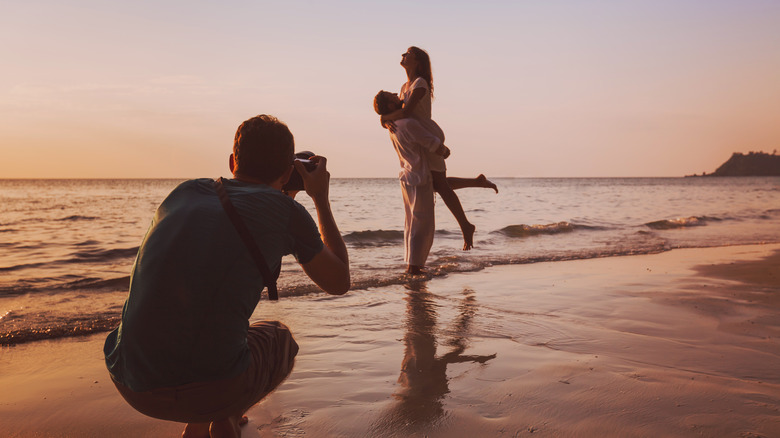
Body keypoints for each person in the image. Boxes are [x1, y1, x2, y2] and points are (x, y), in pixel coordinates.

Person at [103, 115, 350, 438]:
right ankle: (223, 415)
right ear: (289, 173)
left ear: (233, 161)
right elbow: (339, 281)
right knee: (280, 340)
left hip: (130, 381)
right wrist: (320, 197)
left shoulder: (186, 192)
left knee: (200, 317)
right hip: (208, 390)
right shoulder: (285, 213)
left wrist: (282, 194)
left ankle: (205, 422)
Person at [380, 46, 497, 251]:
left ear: (418, 63)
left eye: (408, 54)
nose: (403, 55)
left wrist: (384, 118)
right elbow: (397, 110)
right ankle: (477, 183)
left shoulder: (420, 83)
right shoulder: (403, 87)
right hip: (419, 140)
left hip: (429, 136)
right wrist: (385, 119)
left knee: (440, 186)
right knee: (433, 184)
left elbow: (406, 111)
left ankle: (466, 226)